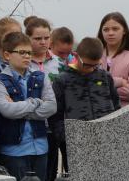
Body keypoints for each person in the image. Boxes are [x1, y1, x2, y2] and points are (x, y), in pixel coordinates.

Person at [0, 31, 57, 181]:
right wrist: (35, 102)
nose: (27, 56)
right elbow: (7, 111)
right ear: (7, 55)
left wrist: (21, 110)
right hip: (14, 151)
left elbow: (52, 107)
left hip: (40, 148)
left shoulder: (40, 77)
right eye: (22, 52)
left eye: (29, 52)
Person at [50, 37, 120, 172]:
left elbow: (116, 107)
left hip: (105, 141)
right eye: (87, 65)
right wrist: (66, 138)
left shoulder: (105, 77)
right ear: (76, 56)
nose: (91, 69)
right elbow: (55, 115)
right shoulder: (62, 80)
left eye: (96, 65)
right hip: (75, 143)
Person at [26, 16, 64, 180]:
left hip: (54, 125)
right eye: (37, 38)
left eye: (46, 38)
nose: (43, 42)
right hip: (31, 124)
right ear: (28, 38)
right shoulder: (24, 62)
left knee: (50, 172)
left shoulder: (59, 63)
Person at [98, 12, 129, 106]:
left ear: (124, 31)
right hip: (97, 111)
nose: (110, 33)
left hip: (122, 112)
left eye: (115, 29)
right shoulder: (93, 56)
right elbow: (86, 84)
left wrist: (101, 88)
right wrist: (120, 82)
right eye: (106, 29)